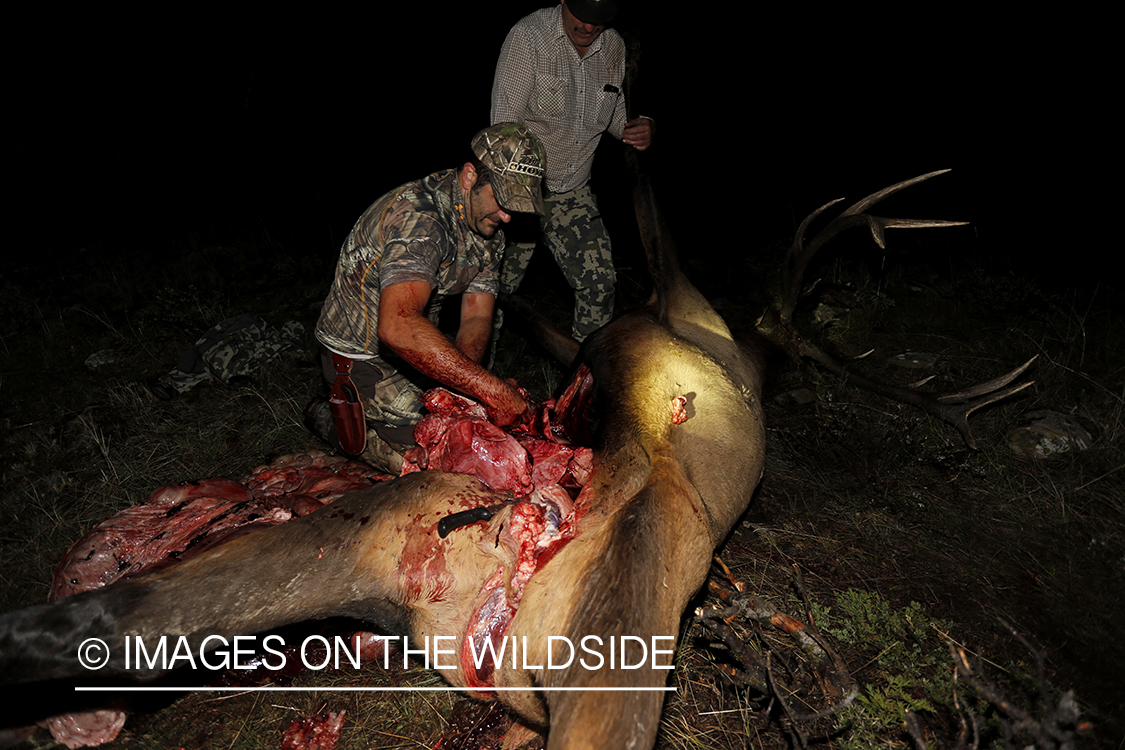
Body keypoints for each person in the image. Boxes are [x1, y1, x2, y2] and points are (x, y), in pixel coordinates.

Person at [309, 123, 546, 473]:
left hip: (412, 354)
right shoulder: (421, 219)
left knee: (477, 432)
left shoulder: (488, 228)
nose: (508, 216)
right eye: (503, 199)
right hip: (360, 357)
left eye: (518, 204)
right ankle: (331, 417)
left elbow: (477, 317)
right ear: (469, 176)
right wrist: (489, 390)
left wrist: (463, 396)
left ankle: (368, 417)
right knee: (438, 463)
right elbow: (397, 325)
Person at [490, 0, 654, 342]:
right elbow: (503, 127)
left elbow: (615, 115)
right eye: (580, 16)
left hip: (574, 191)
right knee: (493, 292)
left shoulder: (613, 47)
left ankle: (583, 383)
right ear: (564, 1)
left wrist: (642, 127)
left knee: (600, 284)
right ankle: (481, 381)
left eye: (599, 21)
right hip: (520, 189)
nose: (588, 28)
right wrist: (519, 202)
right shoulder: (529, 37)